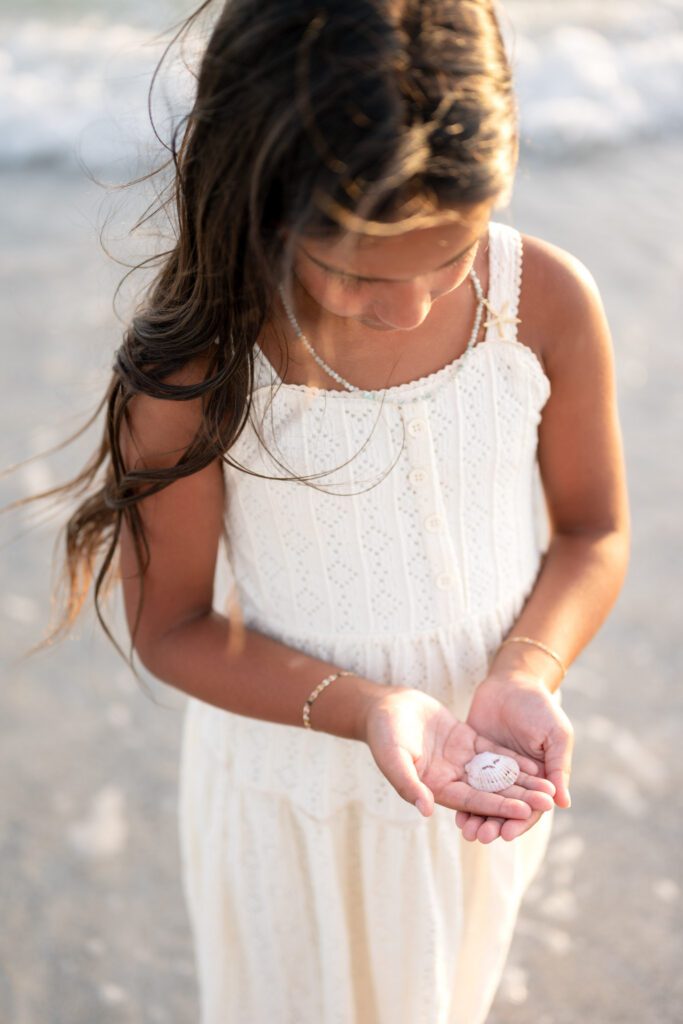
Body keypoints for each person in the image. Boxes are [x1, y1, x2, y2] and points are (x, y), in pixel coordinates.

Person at [19, 1, 630, 1021]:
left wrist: (524, 671)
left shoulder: (544, 303)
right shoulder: (198, 374)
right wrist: (370, 709)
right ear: (261, 200)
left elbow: (591, 533)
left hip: (481, 758)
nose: (414, 306)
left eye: (450, 254)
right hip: (290, 781)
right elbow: (171, 626)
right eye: (355, 275)